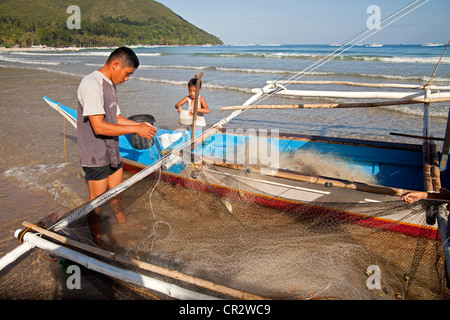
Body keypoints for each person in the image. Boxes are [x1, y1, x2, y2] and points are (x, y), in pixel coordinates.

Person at [77, 46, 157, 242]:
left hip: (112, 150)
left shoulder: (111, 85)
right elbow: (99, 126)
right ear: (115, 64)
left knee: (116, 192)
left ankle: (122, 224)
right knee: (97, 201)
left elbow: (116, 117)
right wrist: (136, 130)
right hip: (95, 154)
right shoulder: (92, 84)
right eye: (127, 73)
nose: (127, 78)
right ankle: (97, 239)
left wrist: (139, 124)